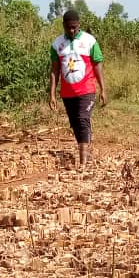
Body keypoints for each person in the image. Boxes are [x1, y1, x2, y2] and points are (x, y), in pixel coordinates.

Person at [49, 9, 106, 166]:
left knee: (82, 119)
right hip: (67, 93)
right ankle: (86, 150)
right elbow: (54, 71)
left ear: (79, 25)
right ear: (63, 26)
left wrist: (103, 89)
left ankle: (83, 163)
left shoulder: (90, 41)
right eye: (68, 27)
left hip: (87, 90)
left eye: (74, 27)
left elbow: (97, 65)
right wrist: (52, 94)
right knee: (75, 123)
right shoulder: (57, 44)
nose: (72, 30)